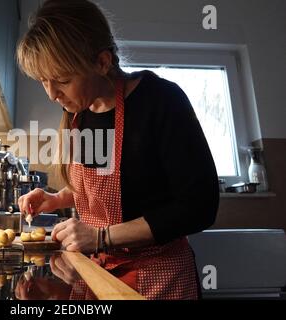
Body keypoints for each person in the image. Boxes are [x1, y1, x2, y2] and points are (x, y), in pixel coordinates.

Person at [16, 0, 219, 300]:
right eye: (43, 81)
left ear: (101, 62)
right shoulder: (80, 113)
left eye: (62, 80)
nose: (51, 94)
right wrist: (56, 199)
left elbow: (199, 207)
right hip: (98, 274)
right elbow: (117, 187)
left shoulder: (161, 101)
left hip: (159, 279)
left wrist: (100, 237)